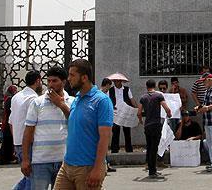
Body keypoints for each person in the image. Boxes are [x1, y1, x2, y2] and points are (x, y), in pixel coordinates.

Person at [53, 59, 113, 190]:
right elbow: (74, 120)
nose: (68, 79)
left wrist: (97, 168)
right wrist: (61, 105)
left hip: (87, 167)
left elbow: (105, 137)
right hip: (67, 166)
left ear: (84, 78)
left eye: (72, 75)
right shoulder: (77, 98)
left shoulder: (102, 101)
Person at [23, 66, 73, 190]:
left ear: (64, 82)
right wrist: (25, 159)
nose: (51, 84)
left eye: (54, 81)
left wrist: (61, 104)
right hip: (41, 161)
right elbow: (28, 132)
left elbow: (76, 124)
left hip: (64, 161)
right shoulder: (37, 102)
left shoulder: (72, 102)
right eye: (49, 81)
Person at [11, 71, 43, 190]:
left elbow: (11, 122)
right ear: (38, 81)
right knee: (33, 178)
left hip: (18, 142)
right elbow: (34, 124)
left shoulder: (16, 97)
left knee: (29, 176)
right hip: (29, 143)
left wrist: (16, 140)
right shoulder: (33, 99)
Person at [138, 79, 172, 179]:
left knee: (149, 147)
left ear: (146, 86)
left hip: (147, 125)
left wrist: (141, 120)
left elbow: (139, 112)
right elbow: (167, 108)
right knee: (154, 148)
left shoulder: (143, 97)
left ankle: (150, 168)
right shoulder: (158, 96)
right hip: (156, 124)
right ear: (155, 86)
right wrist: (169, 114)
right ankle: (152, 172)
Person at [108, 78, 136, 153]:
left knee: (127, 132)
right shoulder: (110, 90)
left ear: (121, 81)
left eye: (117, 81)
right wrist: (111, 107)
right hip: (116, 113)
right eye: (114, 81)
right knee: (115, 131)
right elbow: (108, 100)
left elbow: (132, 99)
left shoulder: (127, 89)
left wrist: (136, 109)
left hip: (125, 112)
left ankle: (129, 149)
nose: (115, 82)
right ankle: (114, 149)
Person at [0, 85, 19, 165]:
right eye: (15, 90)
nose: (16, 92)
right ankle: (3, 159)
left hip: (8, 122)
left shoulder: (8, 98)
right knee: (7, 142)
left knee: (8, 142)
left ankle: (8, 158)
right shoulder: (10, 99)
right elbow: (10, 111)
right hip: (8, 123)